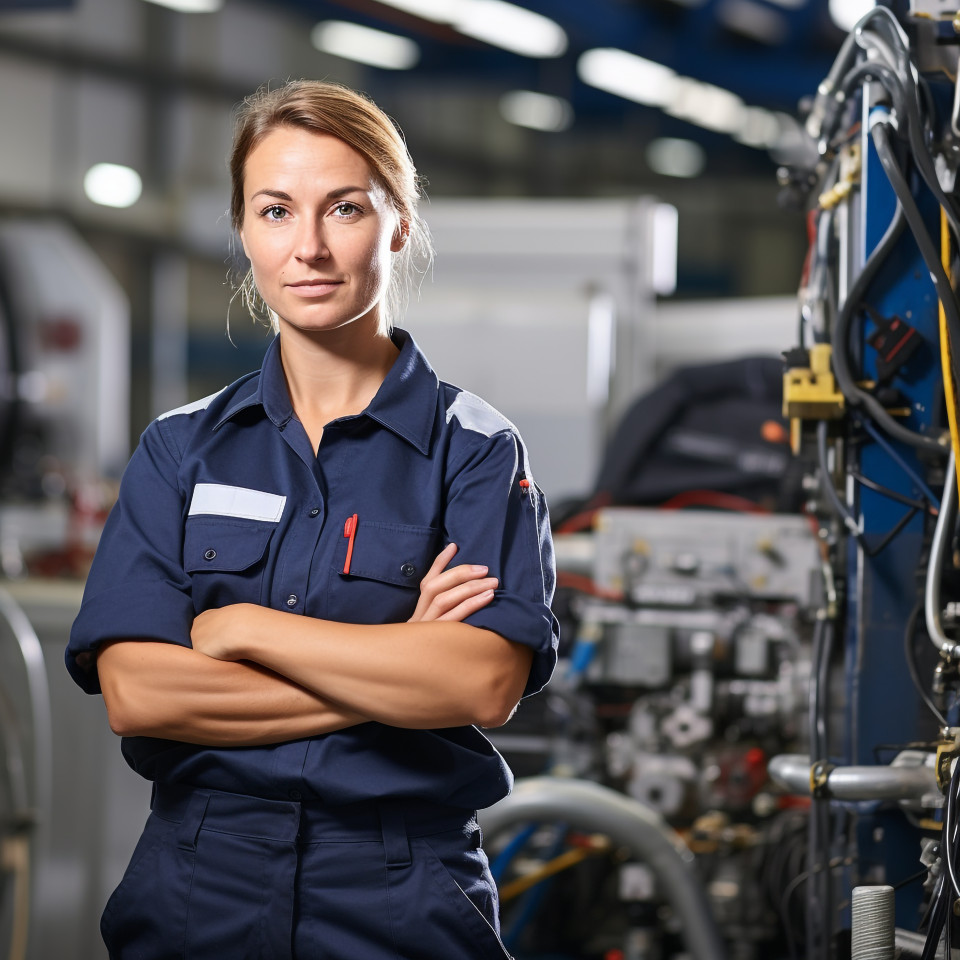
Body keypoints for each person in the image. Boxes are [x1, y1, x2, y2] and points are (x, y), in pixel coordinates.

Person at [65, 80, 559, 960]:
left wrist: (239, 626)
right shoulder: (181, 451)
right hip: (195, 887)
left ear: (398, 223)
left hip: (400, 890)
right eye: (275, 210)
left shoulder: (475, 451)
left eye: (344, 209)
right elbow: (140, 694)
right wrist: (396, 661)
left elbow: (479, 685)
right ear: (243, 230)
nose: (310, 248)